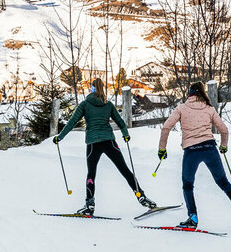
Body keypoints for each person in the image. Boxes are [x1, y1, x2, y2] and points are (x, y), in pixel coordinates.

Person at [158, 81, 231, 228]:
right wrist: (223, 146)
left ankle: (193, 218)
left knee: (187, 185)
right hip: (210, 149)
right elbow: (224, 130)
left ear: (190, 94)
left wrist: (162, 149)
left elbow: (166, 127)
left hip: (191, 152)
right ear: (201, 93)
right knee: (223, 182)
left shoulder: (181, 108)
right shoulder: (209, 108)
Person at [53, 79, 155, 216]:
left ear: (92, 89)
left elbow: (72, 122)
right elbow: (120, 121)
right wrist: (125, 134)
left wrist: (60, 137)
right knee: (124, 169)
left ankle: (89, 204)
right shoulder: (108, 105)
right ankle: (141, 196)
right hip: (109, 141)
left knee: (91, 174)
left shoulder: (85, 104)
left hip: (93, 142)